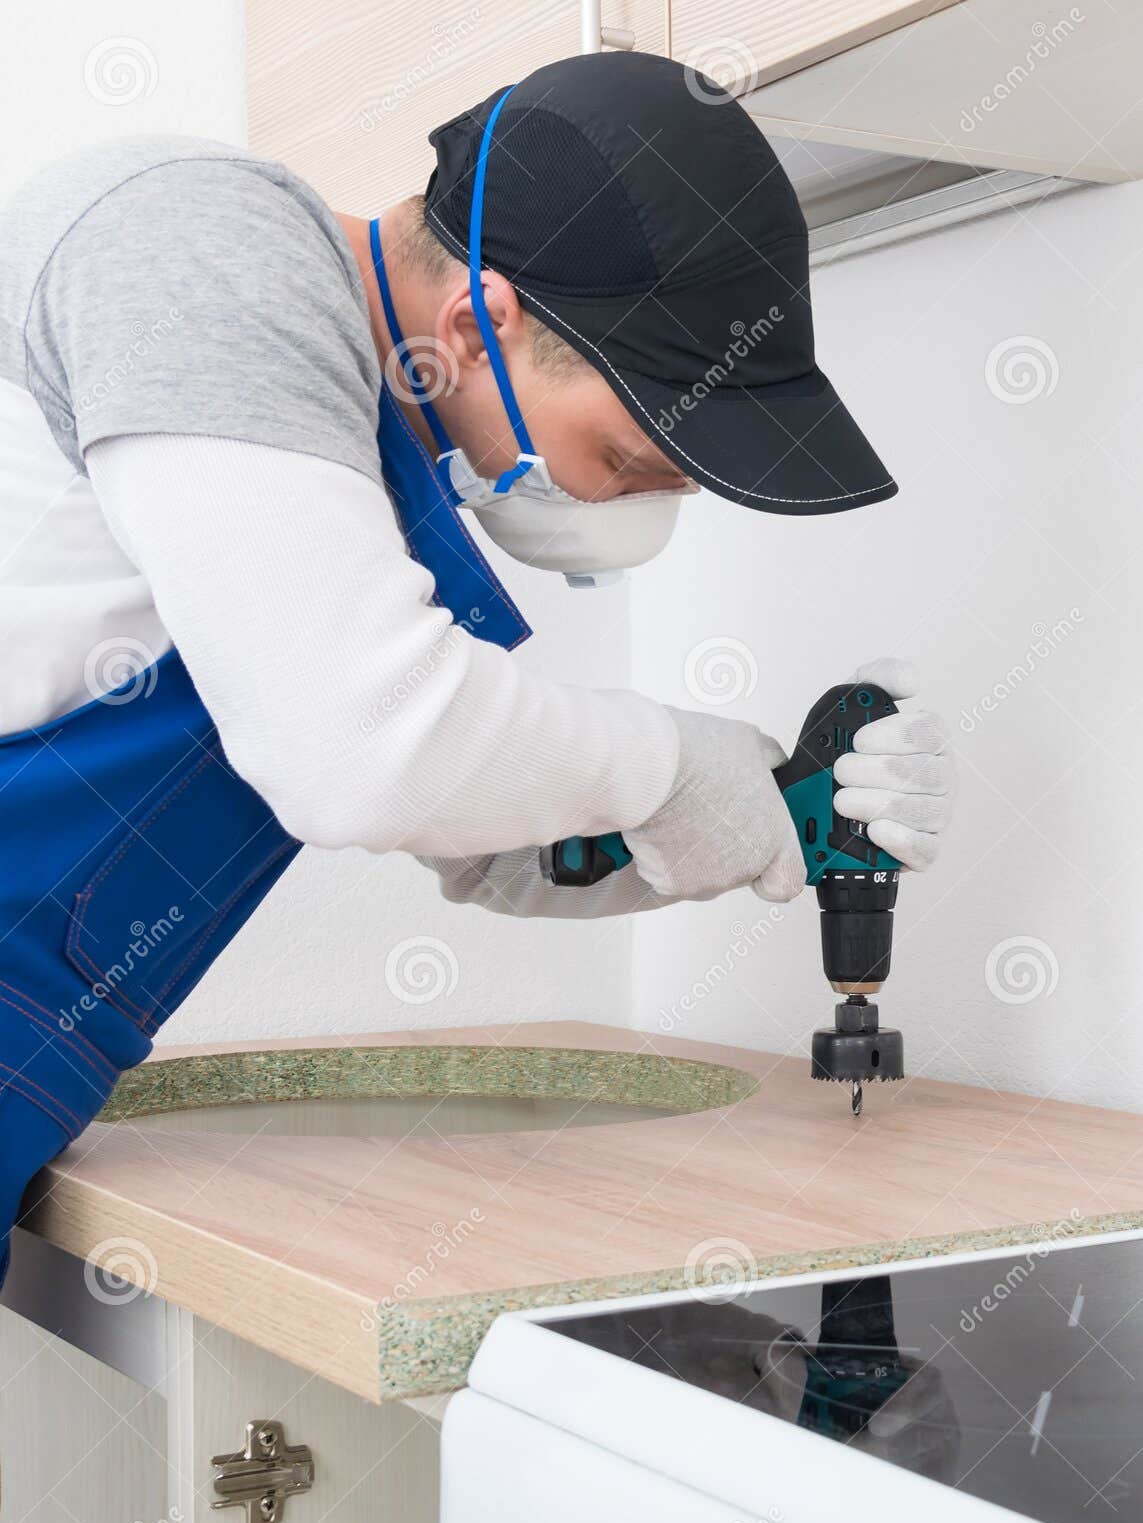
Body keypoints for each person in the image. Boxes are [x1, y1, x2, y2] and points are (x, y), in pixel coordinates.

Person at [0, 52, 953, 1281]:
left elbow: (501, 844)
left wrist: (774, 807)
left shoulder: (350, 460)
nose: (637, 512)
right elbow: (364, 753)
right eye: (627, 458)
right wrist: (673, 764)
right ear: (479, 323)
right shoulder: (207, 243)